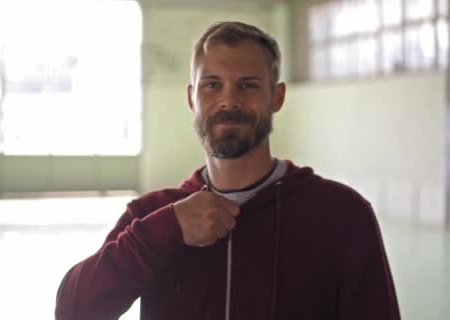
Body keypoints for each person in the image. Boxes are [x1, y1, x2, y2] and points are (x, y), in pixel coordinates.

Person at [55, 21, 400, 320]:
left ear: (276, 97)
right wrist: (168, 229)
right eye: (212, 85)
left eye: (248, 85)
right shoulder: (151, 216)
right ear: (192, 98)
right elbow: (75, 310)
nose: (229, 101)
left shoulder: (341, 215)